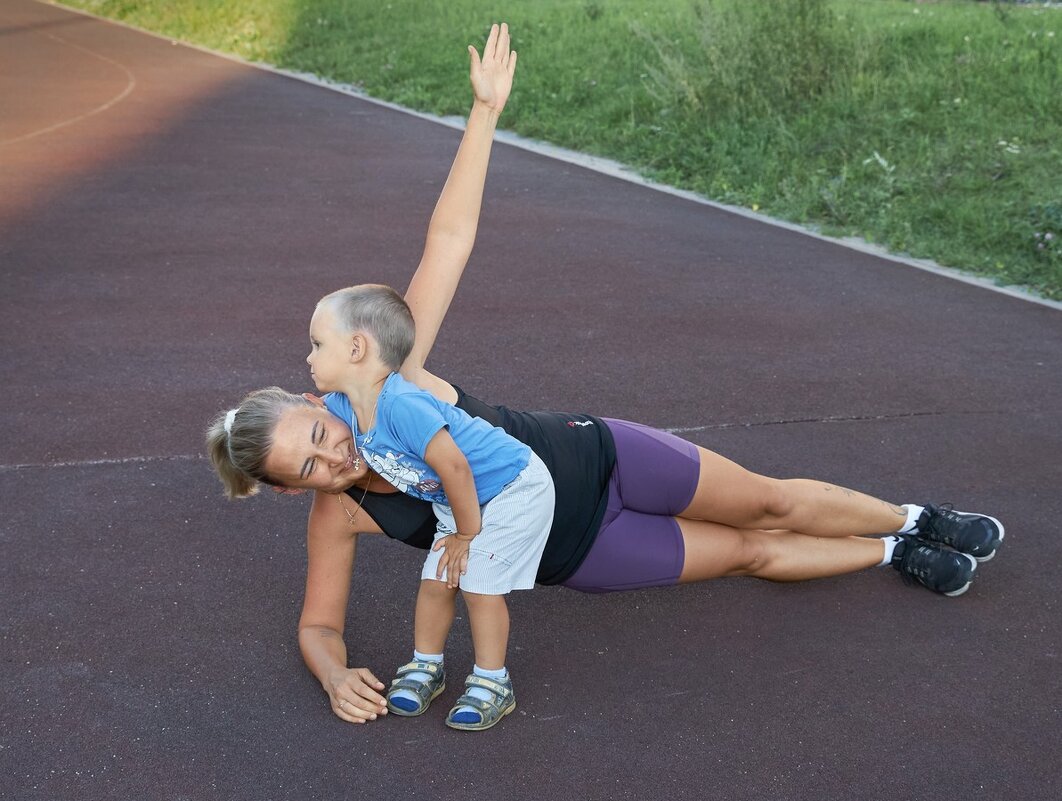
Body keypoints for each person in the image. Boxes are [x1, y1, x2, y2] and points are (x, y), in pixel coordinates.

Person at [206, 23, 1005, 726]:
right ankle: (893, 554)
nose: (332, 459)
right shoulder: (339, 512)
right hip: (583, 550)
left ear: (322, 398)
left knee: (770, 498)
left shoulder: (390, 378)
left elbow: (446, 243)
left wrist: (483, 114)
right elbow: (317, 625)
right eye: (307, 469)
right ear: (289, 489)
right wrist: (334, 672)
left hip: (601, 456)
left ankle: (913, 514)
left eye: (319, 434)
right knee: (748, 551)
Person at [304, 281, 556, 731]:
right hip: (460, 499)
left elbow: (456, 468)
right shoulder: (345, 405)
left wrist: (465, 535)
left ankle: (493, 681)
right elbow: (295, 419)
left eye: (318, 344)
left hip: (511, 485)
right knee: (438, 579)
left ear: (357, 348)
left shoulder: (403, 405)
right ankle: (426, 666)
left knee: (477, 581)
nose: (309, 357)